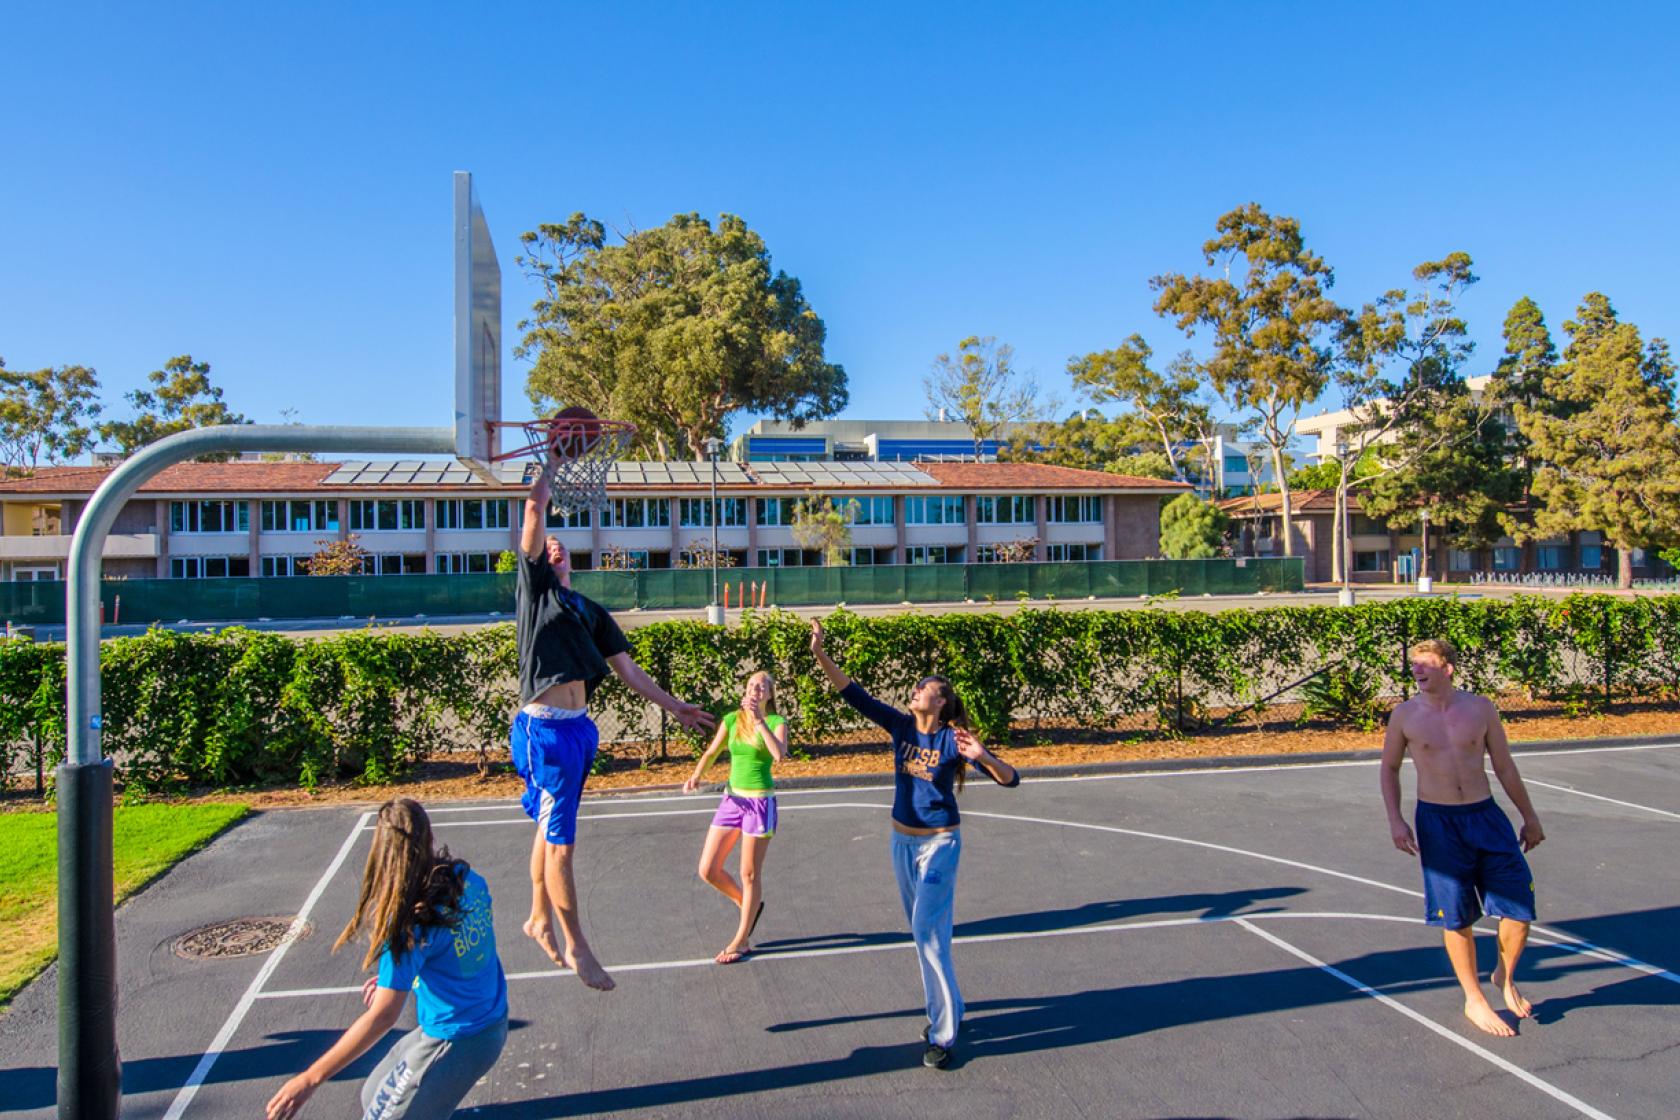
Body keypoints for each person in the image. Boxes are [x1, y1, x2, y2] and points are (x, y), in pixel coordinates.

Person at [514, 455, 715, 991]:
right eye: (545, 545)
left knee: (548, 827)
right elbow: (534, 509)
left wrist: (674, 706)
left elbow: (628, 670)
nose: (552, 546)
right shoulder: (536, 594)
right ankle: (577, 944)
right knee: (560, 842)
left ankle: (538, 915)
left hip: (580, 730)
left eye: (560, 546)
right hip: (545, 731)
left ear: (571, 561)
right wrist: (553, 465)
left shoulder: (589, 610)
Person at [807, 617, 1019, 1069]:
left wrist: (984, 756)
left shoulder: (952, 739)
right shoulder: (901, 727)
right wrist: (819, 653)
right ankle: (954, 1010)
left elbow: (1011, 779)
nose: (916, 690)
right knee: (930, 935)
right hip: (901, 843)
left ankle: (943, 1034)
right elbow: (853, 694)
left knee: (926, 934)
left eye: (925, 688)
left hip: (940, 843)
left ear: (940, 702)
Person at [265, 799, 507, 1120]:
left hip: (458, 1038)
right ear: (427, 836)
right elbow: (459, 953)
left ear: (381, 851)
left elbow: (382, 1017)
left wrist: (311, 1078)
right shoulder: (467, 881)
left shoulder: (409, 927)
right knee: (372, 1094)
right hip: (487, 1021)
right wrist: (402, 979)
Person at [1381, 637, 1545, 1037]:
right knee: (1455, 916)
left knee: (1520, 909)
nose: (1417, 670)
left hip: (1485, 817)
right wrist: (1397, 822)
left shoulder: (1480, 708)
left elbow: (1504, 766)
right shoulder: (1404, 715)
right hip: (1437, 823)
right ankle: (1474, 998)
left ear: (1448, 667)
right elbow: (1389, 769)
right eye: (1413, 664)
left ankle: (1503, 975)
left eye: (1425, 663)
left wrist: (1530, 817)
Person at [683, 670, 790, 963]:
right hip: (732, 800)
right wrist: (696, 776)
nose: (756, 690)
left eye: (762, 687)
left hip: (759, 804)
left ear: (769, 695)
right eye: (752, 685)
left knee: (749, 873)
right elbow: (712, 751)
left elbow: (779, 755)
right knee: (708, 869)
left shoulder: (776, 722)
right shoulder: (731, 719)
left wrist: (758, 722)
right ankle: (747, 905)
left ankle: (741, 940)